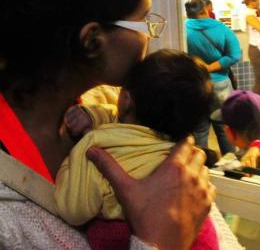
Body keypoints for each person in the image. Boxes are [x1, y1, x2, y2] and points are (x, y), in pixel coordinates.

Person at [0, 0, 219, 249]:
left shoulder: (106, 107)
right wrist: (160, 241)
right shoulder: (8, 203)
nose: (151, 35)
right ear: (92, 40)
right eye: (144, 21)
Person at [55, 49, 218, 250]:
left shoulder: (97, 145)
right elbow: (119, 120)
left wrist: (69, 164)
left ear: (126, 99)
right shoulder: (183, 154)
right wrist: (93, 115)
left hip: (127, 236)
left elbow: (73, 210)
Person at [185, 0, 241, 155]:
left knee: (199, 130)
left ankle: (202, 165)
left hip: (195, 85)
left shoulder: (183, 29)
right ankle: (229, 165)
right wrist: (210, 67)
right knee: (224, 128)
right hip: (220, 84)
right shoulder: (221, 28)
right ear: (205, 10)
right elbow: (235, 54)